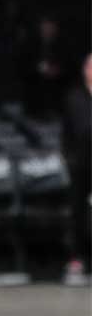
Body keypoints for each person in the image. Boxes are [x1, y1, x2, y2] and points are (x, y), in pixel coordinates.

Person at [61, 53, 91, 284]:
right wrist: (70, 159)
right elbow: (70, 133)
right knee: (78, 212)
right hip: (81, 164)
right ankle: (76, 258)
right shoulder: (75, 98)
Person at [19, 14, 70, 121]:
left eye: (51, 27)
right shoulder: (31, 43)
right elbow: (24, 63)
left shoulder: (63, 43)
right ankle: (37, 113)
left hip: (59, 79)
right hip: (35, 77)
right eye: (45, 26)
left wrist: (57, 69)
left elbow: (68, 63)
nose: (48, 30)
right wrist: (41, 69)